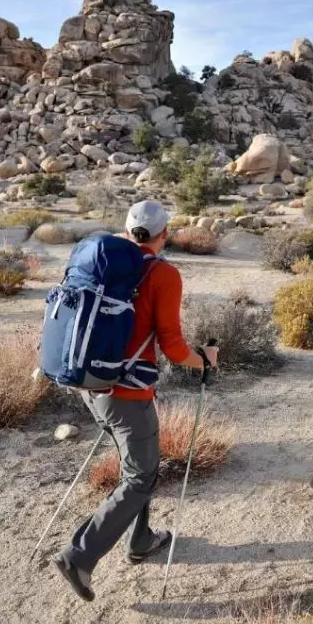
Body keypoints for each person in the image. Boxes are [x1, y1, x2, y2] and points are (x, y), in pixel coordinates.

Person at [53, 200, 219, 602]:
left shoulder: (103, 261)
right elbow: (175, 349)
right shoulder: (162, 273)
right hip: (127, 395)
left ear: (127, 229)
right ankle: (79, 556)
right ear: (165, 234)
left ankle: (141, 539)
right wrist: (206, 361)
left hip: (90, 386)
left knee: (140, 466)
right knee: (139, 476)